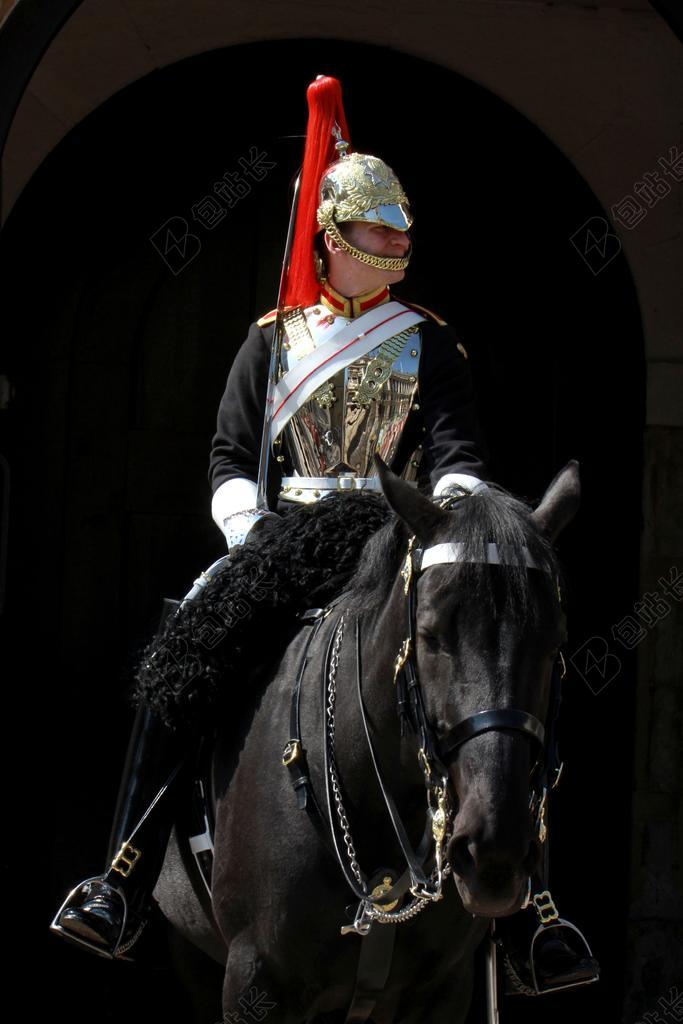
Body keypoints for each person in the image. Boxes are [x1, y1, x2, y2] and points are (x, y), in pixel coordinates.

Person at [51, 75, 598, 996]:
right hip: (285, 534)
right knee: (180, 655)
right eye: (382, 231)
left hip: (396, 530)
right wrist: (247, 533)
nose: (400, 244)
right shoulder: (272, 339)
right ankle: (124, 874)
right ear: (335, 238)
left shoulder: (429, 342)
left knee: (504, 665)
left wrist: (446, 513)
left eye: (402, 230)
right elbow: (231, 453)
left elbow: (458, 450)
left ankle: (533, 910)